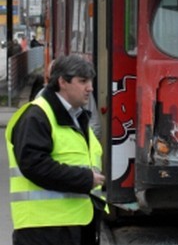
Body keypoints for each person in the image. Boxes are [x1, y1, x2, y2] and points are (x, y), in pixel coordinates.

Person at [6, 54, 106, 245]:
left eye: (90, 81)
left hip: (75, 223)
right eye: (83, 81)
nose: (90, 88)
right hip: (45, 229)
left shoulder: (77, 116)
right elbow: (34, 165)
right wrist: (86, 179)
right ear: (62, 82)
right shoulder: (36, 116)